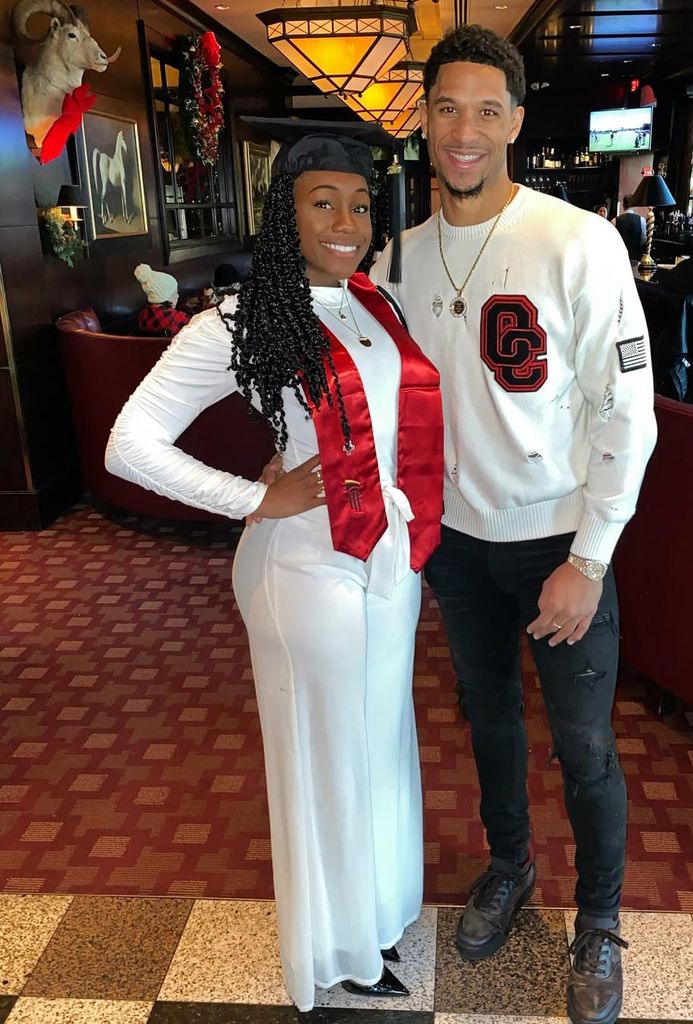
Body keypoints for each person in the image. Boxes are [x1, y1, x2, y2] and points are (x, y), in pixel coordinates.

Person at [107, 124, 444, 1013]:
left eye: (360, 203)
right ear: (280, 214)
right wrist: (252, 499)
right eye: (320, 201)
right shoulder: (242, 316)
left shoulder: (375, 301)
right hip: (304, 574)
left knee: (377, 744)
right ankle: (334, 949)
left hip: (382, 562)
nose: (346, 220)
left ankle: (375, 911)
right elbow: (129, 443)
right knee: (325, 758)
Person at [371, 26, 657, 1024]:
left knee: (582, 742)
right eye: (447, 106)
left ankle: (604, 920)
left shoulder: (578, 241)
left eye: (488, 110)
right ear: (425, 116)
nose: (464, 130)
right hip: (454, 544)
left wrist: (591, 556)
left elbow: (628, 413)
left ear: (517, 122)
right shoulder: (397, 256)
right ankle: (510, 864)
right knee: (488, 722)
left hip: (557, 542)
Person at [134, 264, 191, 337]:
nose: (178, 296)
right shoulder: (177, 319)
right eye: (175, 293)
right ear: (166, 296)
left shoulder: (143, 314)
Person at [613, 194, 647, 261]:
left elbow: (613, 241)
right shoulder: (642, 220)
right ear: (634, 205)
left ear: (623, 205)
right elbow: (643, 240)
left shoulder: (615, 220)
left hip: (619, 257)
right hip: (636, 257)